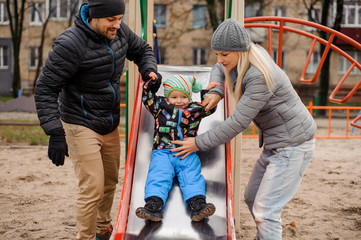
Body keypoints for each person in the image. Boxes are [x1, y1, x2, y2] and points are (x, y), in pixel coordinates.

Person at [171, 19, 317, 240]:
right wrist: (216, 90)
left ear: (240, 51)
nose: (219, 60)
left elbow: (239, 122)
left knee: (266, 210)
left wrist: (197, 143)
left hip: (292, 146)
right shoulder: (247, 56)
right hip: (276, 143)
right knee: (252, 198)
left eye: (224, 55)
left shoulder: (258, 75)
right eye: (217, 53)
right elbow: (218, 69)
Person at [34, 0, 160, 239]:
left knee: (110, 181)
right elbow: (45, 89)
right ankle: (86, 236)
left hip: (109, 121)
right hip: (80, 123)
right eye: (111, 20)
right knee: (92, 188)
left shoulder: (119, 31)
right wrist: (55, 131)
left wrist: (148, 70)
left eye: (120, 19)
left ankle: (103, 228)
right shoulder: (70, 44)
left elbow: (142, 50)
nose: (117, 25)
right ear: (93, 16)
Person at [135, 74, 219, 222]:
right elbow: (147, 98)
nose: (179, 101)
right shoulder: (159, 107)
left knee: (192, 177)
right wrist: (152, 83)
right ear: (167, 97)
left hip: (187, 152)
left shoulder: (194, 109)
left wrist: (208, 92)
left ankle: (198, 206)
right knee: (158, 176)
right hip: (162, 152)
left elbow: (209, 108)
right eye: (174, 97)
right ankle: (153, 207)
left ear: (189, 97)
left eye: (183, 97)